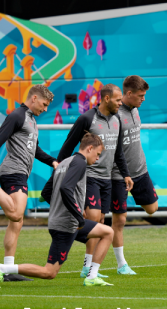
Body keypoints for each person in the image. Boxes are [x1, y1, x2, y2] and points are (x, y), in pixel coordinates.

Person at [0, 85, 59, 282]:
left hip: (20, 174)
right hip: (13, 172)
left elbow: (35, 149)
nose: (46, 109)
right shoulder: (17, 115)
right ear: (34, 98)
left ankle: (7, 270)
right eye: (44, 104)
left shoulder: (31, 120)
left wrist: (53, 161)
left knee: (16, 223)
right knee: (15, 214)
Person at [0, 133, 115, 287]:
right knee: (49, 272)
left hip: (64, 221)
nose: (97, 159)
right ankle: (2, 268)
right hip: (66, 225)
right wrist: (78, 215)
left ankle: (92, 276)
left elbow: (46, 193)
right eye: (98, 154)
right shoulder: (80, 163)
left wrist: (65, 210)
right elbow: (65, 188)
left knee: (107, 232)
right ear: (89, 148)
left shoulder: (64, 162)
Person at [56, 83, 132, 279]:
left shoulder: (117, 119)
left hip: (107, 179)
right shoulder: (87, 118)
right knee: (93, 219)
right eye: (117, 100)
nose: (120, 103)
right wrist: (59, 170)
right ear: (106, 99)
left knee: (99, 222)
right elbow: (68, 146)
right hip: (88, 177)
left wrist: (126, 174)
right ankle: (87, 266)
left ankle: (89, 267)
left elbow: (118, 151)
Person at [108, 75, 159, 275]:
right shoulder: (114, 114)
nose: (143, 99)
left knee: (152, 209)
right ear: (128, 93)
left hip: (140, 170)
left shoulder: (136, 109)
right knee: (119, 220)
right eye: (140, 95)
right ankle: (121, 264)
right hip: (119, 175)